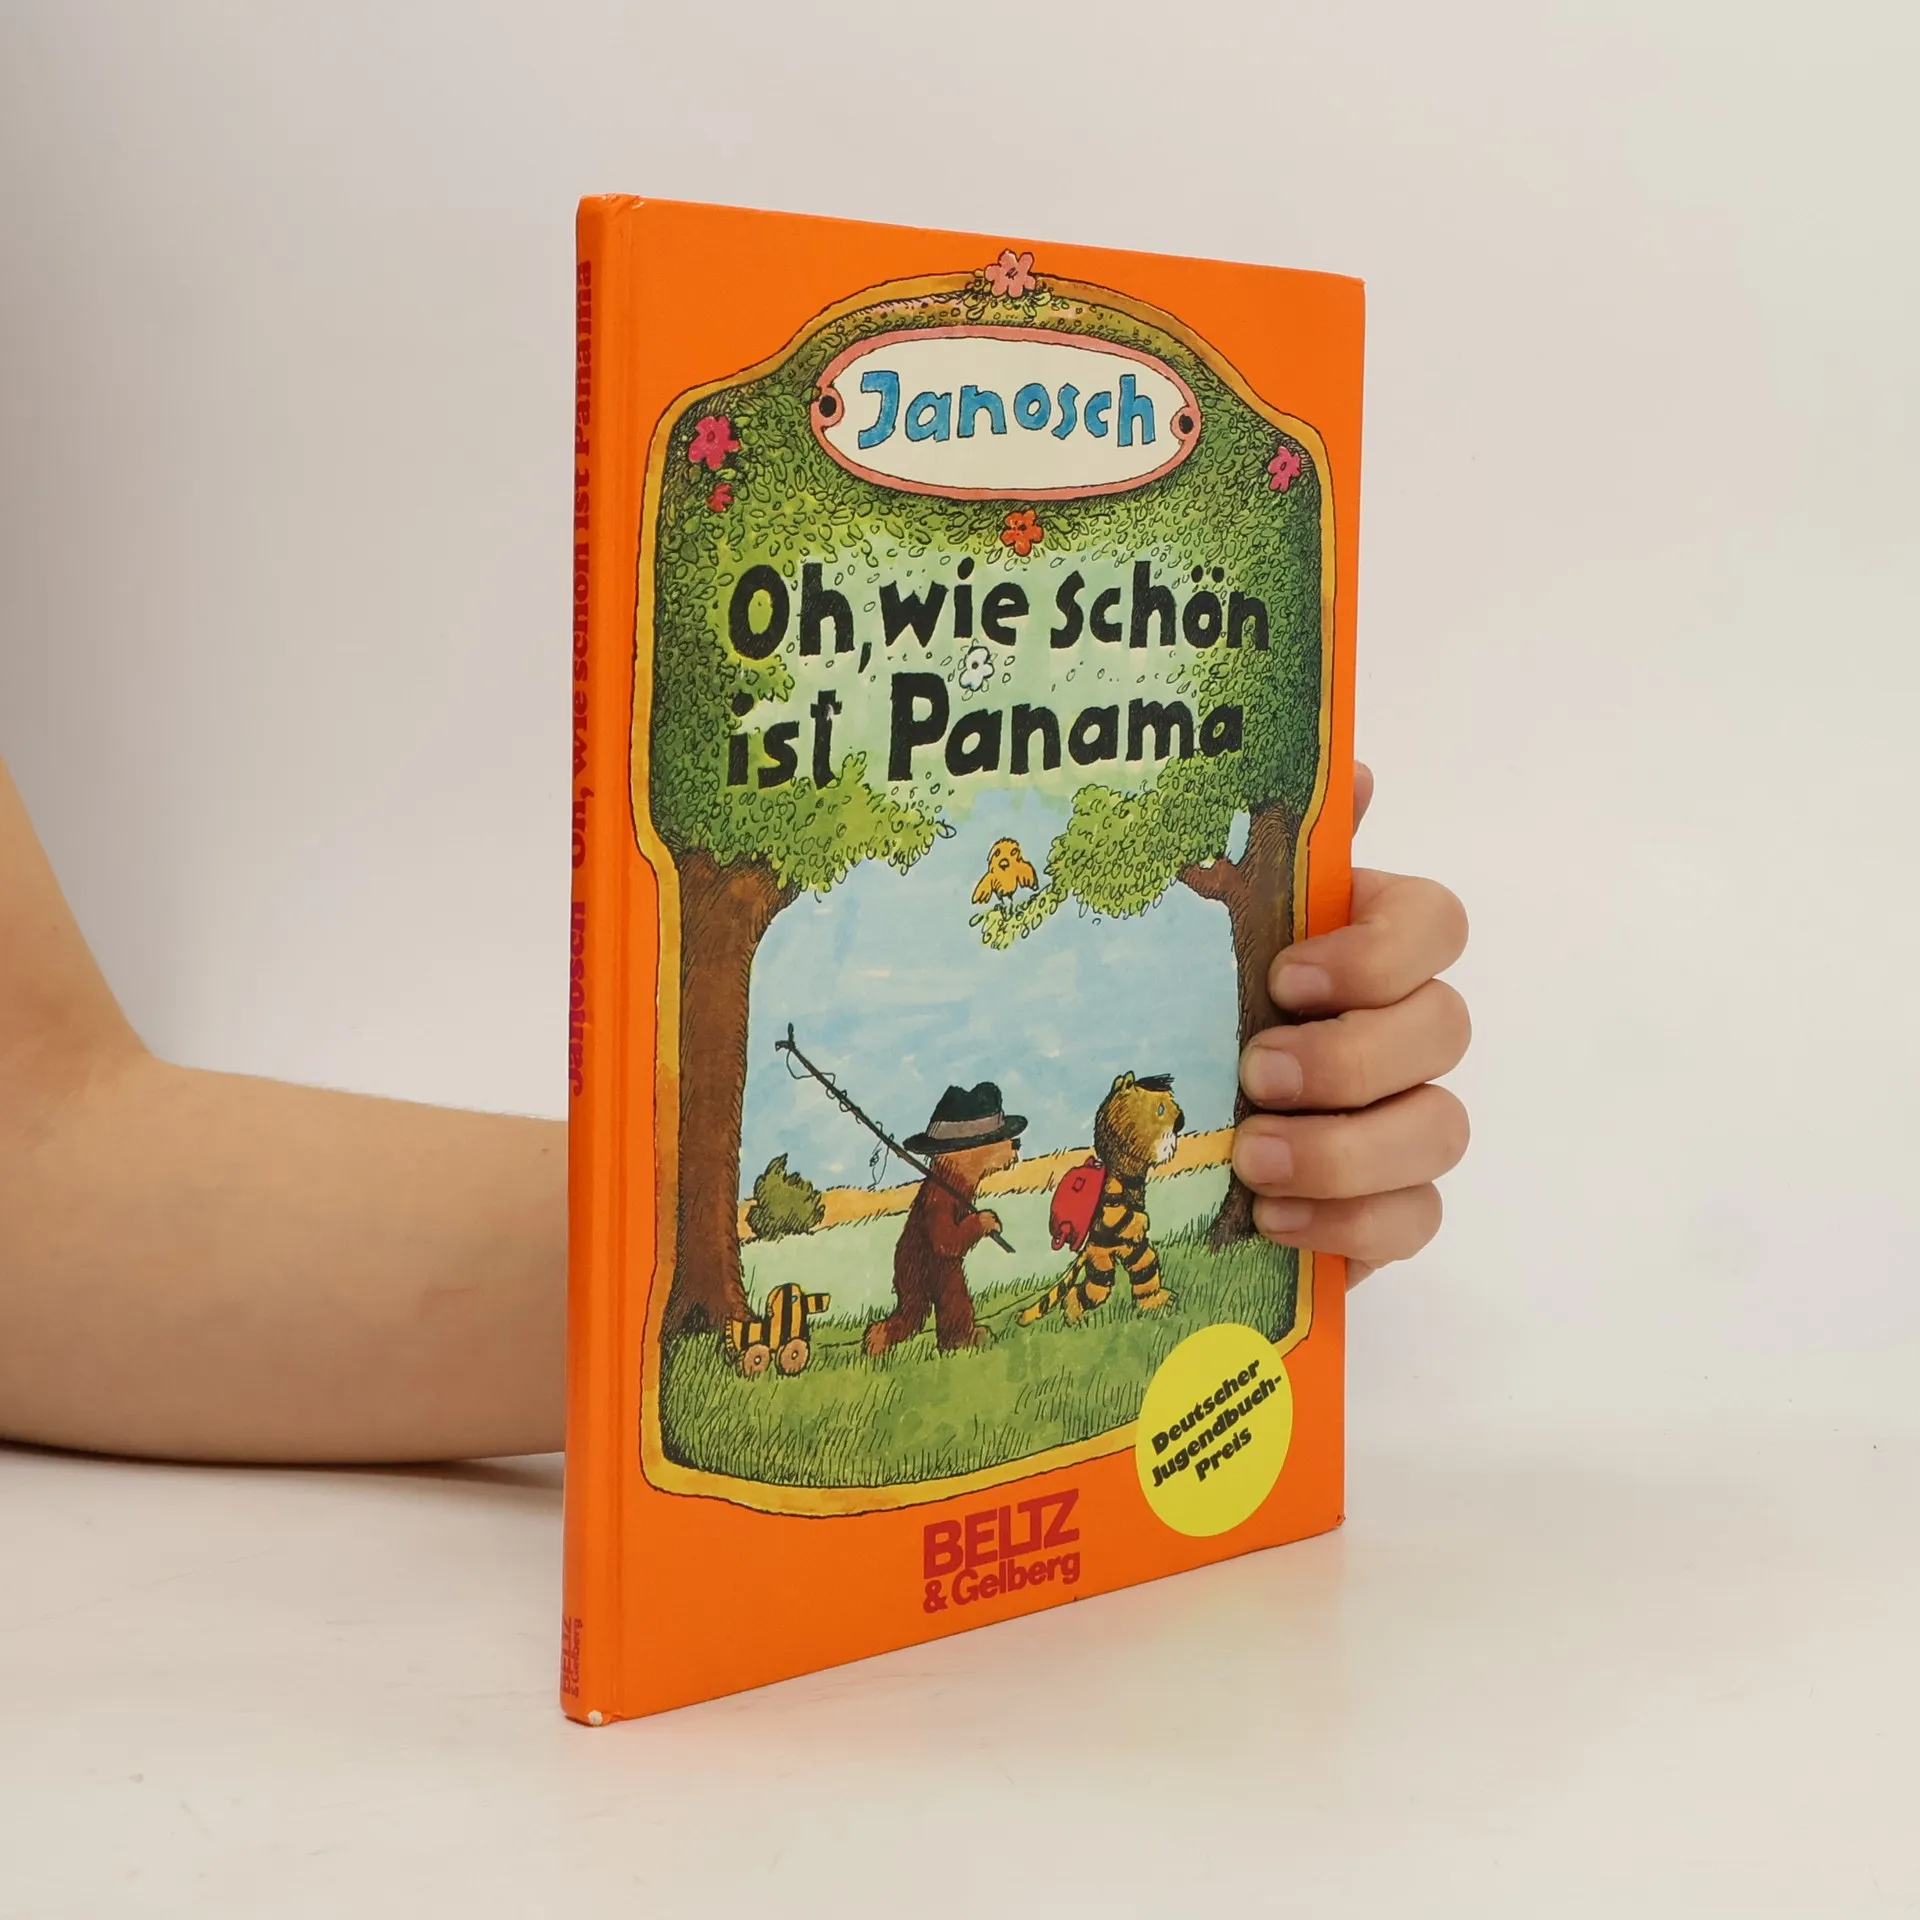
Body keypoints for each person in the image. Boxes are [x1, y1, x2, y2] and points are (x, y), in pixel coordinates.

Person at [0, 755, 1469, 1463]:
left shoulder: (959, 1183)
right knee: (938, 1303)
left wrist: (1273, 1191)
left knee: (958, 1309)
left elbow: (43, 1156)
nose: (990, 1160)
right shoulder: (941, 1196)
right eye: (979, 1153)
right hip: (931, 1264)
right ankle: (915, 1336)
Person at [863, 1081, 1025, 1357]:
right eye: (1008, 1143)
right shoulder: (941, 1192)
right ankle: (885, 1337)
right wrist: (978, 1224)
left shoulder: (958, 1183)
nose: (1013, 1151)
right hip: (920, 1260)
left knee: (949, 1300)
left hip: (933, 1259)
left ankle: (958, 1337)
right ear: (972, 1151)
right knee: (915, 1313)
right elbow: (946, 1242)